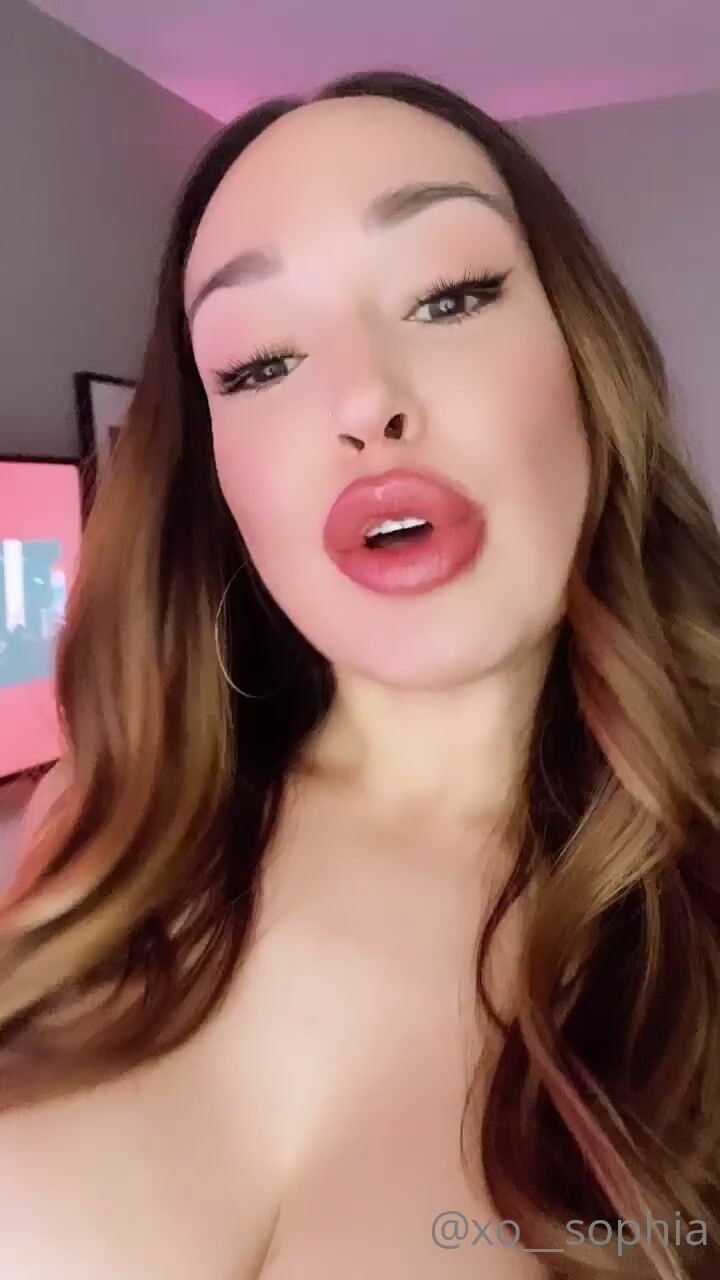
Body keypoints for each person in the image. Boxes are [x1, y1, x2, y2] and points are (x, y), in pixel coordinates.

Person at [0, 69, 718, 1280]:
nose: (364, 401)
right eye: (257, 363)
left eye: (451, 295)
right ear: (218, 475)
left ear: (586, 360)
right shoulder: (104, 821)